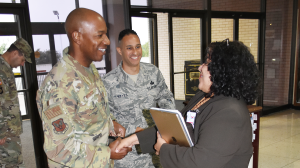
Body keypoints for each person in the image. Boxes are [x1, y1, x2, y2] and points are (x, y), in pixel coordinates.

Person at [116, 40, 260, 168]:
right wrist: (129, 141)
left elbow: (200, 162)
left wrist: (164, 148)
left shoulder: (230, 113)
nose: (200, 68)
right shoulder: (205, 96)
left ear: (224, 71)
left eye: (207, 63)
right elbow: (173, 129)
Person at [36, 8, 131, 168]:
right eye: (99, 35)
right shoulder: (59, 85)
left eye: (105, 35)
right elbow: (59, 148)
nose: (107, 41)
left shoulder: (88, 69)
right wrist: (107, 153)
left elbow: (91, 109)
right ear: (77, 37)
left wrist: (110, 123)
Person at [102, 29, 175, 168]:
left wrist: (167, 123)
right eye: (129, 48)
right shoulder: (108, 82)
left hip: (155, 148)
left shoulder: (153, 72)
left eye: (138, 46)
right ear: (119, 50)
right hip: (127, 155)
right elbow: (103, 116)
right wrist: (124, 127)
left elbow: (166, 96)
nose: (135, 52)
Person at [0, 38, 33, 167]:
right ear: (15, 53)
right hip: (5, 132)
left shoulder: (6, 69)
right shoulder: (1, 70)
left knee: (15, 162)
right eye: (23, 60)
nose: (23, 64)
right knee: (10, 163)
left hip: (9, 130)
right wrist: (1, 132)